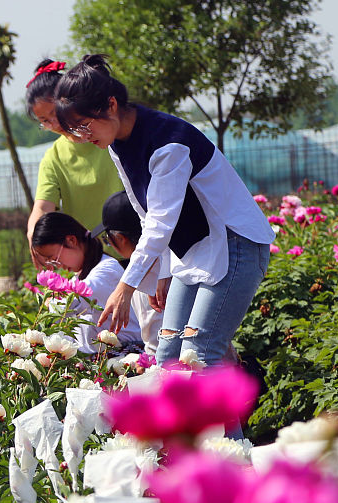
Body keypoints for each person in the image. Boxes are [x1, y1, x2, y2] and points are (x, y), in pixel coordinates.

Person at [53, 55, 274, 368]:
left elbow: (160, 222)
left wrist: (125, 287)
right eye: (76, 130)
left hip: (235, 244)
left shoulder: (168, 143)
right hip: (194, 252)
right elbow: (146, 213)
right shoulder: (117, 143)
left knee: (200, 353)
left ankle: (225, 414)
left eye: (85, 125)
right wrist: (165, 272)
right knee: (167, 354)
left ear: (111, 105)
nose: (84, 137)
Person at [24, 59, 124, 268]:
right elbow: (42, 206)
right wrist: (34, 238)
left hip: (136, 249)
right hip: (94, 261)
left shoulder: (107, 134)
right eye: (44, 121)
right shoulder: (54, 157)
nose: (54, 124)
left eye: (54, 114)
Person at [29, 211, 142, 354]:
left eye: (54, 258)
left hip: (128, 355)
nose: (58, 265)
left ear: (71, 240)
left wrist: (49, 301)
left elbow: (67, 305)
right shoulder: (80, 276)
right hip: (106, 357)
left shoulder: (106, 271)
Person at [90, 191, 161, 354]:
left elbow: (155, 341)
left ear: (121, 238)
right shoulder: (168, 259)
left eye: (107, 239)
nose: (109, 245)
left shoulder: (139, 279)